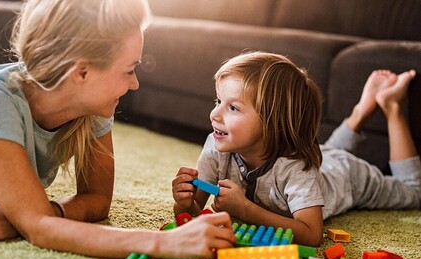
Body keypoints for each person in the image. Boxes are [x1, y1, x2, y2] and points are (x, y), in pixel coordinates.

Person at [0, 0, 236, 259]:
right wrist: (166, 242)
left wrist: (30, 215)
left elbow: (97, 200)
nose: (135, 83)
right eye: (129, 70)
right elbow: (40, 230)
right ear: (82, 73)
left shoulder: (90, 105)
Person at [172, 51, 420, 247]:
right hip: (319, 162)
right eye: (218, 101)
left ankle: (391, 105)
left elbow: (312, 234)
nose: (214, 114)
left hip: (345, 177)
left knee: (414, 191)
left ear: (272, 121)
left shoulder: (298, 168)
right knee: (326, 152)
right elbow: (194, 212)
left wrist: (246, 210)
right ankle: (358, 114)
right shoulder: (217, 147)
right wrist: (184, 204)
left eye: (233, 108)